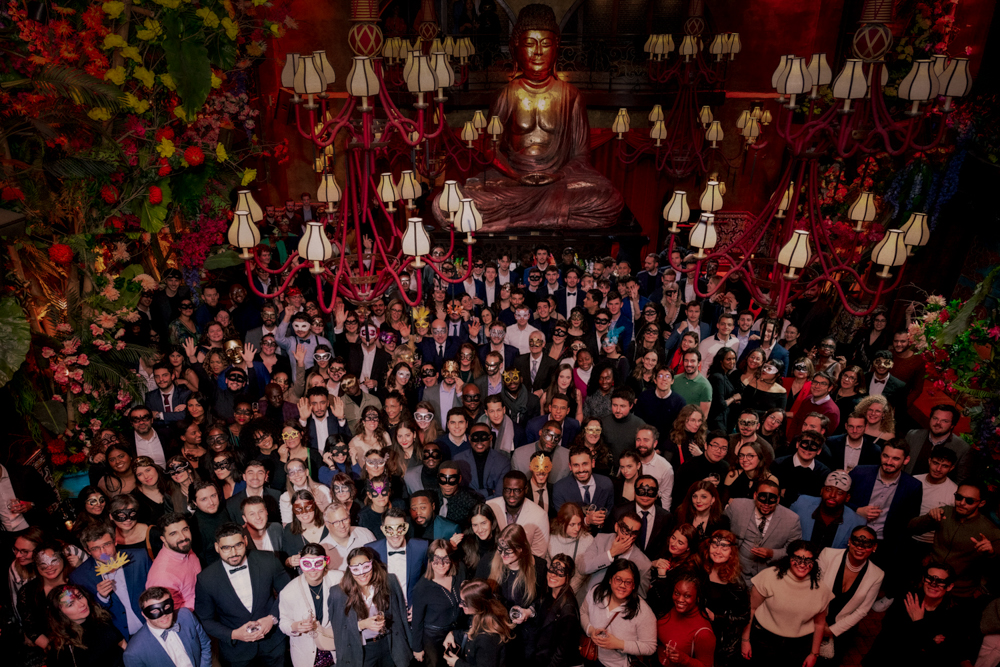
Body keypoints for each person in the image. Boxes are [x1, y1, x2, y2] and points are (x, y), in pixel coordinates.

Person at [194, 522, 291, 667]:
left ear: (245, 541)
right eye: (226, 548)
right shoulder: (206, 579)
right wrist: (233, 634)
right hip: (236, 653)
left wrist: (272, 618)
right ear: (217, 547)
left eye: (238, 545)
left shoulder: (268, 560)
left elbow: (288, 592)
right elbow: (205, 619)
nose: (233, 553)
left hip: (273, 645)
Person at [863, 562, 974, 666]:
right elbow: (890, 632)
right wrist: (929, 639)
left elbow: (945, 653)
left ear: (949, 586)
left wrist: (918, 622)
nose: (933, 584)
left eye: (940, 581)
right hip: (886, 657)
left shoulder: (953, 614)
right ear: (923, 579)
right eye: (930, 578)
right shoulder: (908, 598)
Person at [742, 540, 833, 667]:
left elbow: (819, 624)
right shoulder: (769, 577)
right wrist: (745, 640)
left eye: (808, 560)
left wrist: (814, 653)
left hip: (798, 647)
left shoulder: (821, 590)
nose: (802, 564)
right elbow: (751, 609)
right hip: (764, 641)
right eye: (797, 559)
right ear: (789, 558)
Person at [907, 480, 1000, 600]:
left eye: (969, 501)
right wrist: (928, 518)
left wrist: (991, 553)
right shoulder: (945, 512)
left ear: (981, 503)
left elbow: (996, 570)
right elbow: (911, 528)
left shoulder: (990, 530)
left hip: (960, 592)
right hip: (930, 583)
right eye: (959, 497)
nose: (962, 503)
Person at [328, 546, 413, 667]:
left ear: (372, 564)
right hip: (362, 651)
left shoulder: (389, 581)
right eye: (356, 569)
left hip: (390, 645)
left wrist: (413, 646)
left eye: (366, 567)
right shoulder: (338, 593)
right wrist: (362, 625)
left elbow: (401, 615)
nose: (362, 573)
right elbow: (339, 630)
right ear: (349, 570)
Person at [70, 522, 152, 638]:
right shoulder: (79, 577)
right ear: (87, 551)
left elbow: (157, 587)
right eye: (95, 548)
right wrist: (101, 598)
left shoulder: (139, 557)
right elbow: (89, 617)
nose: (103, 552)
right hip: (122, 638)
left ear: (115, 541)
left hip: (153, 623)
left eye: (107, 544)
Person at [816, 527, 883, 661]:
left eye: (867, 544)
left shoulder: (877, 574)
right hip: (815, 617)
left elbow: (862, 610)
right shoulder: (828, 555)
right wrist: (820, 622)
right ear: (849, 541)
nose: (860, 547)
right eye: (856, 541)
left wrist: (832, 630)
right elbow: (814, 589)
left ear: (874, 547)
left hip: (841, 627)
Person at [579, 560, 657, 667]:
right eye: (618, 579)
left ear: (634, 585)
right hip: (590, 656)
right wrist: (591, 630)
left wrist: (619, 644)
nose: (622, 585)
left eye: (628, 582)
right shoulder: (596, 592)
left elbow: (650, 647)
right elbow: (583, 612)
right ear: (610, 579)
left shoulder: (643, 611)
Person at [724, 479, 802, 585]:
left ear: (778, 499)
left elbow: (795, 551)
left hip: (768, 576)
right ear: (755, 495)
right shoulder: (737, 506)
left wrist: (772, 553)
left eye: (772, 500)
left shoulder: (791, 520)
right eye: (762, 498)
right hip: (736, 570)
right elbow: (721, 531)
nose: (766, 504)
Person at [489, 524, 548, 662]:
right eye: (500, 549)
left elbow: (543, 599)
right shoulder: (493, 563)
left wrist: (529, 612)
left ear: (521, 549)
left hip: (526, 637)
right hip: (501, 633)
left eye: (508, 551)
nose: (502, 555)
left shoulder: (539, 567)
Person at [278, 543, 344, 667]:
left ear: (325, 562)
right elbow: (283, 622)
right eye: (307, 564)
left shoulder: (339, 579)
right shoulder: (289, 591)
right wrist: (295, 626)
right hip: (306, 655)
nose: (312, 569)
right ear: (300, 564)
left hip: (337, 651)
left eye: (317, 563)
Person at [123, 586, 212, 667]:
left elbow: (205, 645)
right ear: (144, 615)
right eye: (155, 611)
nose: (164, 615)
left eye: (167, 607)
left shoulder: (186, 616)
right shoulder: (134, 653)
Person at [411, 539, 467, 667]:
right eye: (436, 559)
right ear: (430, 560)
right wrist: (417, 648)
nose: (441, 564)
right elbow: (417, 621)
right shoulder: (421, 588)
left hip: (456, 633)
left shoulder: (460, 572)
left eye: (445, 559)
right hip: (433, 638)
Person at [699, 531, 749, 667]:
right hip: (701, 633)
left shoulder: (736, 583)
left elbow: (743, 617)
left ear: (731, 553)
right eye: (715, 545)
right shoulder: (703, 570)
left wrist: (716, 617)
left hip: (723, 642)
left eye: (724, 547)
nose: (718, 551)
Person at [45, 584, 127, 667]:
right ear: (59, 614)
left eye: (80, 597)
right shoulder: (63, 647)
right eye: (71, 604)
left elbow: (122, 643)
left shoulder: (100, 618)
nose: (81, 604)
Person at [579, 509, 652, 597]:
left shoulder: (644, 564)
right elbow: (582, 568)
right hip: (588, 598)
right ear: (616, 527)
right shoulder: (600, 540)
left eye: (634, 533)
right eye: (625, 530)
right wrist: (611, 554)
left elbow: (639, 598)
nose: (627, 537)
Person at [442, 579, 514, 667]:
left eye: (464, 603)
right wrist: (452, 634)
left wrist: (457, 663)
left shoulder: (487, 638)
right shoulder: (480, 615)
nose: (460, 605)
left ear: (476, 604)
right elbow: (470, 634)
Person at [790, 471, 867, 550]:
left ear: (847, 498)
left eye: (839, 492)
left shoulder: (857, 522)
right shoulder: (802, 504)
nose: (832, 495)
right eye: (828, 489)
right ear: (822, 491)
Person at [655, 573, 717, 667]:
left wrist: (683, 659)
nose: (680, 599)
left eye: (687, 596)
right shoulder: (672, 609)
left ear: (697, 598)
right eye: (677, 593)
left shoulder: (704, 633)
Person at [369, 507, 428, 604]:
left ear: (406, 527)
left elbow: (429, 578)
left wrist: (419, 604)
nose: (395, 535)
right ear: (382, 529)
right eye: (390, 529)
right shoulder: (372, 550)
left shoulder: (421, 547)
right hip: (384, 607)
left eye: (400, 528)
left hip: (412, 607)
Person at [486, 471, 551, 558]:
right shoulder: (490, 507)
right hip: (492, 561)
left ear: (526, 490)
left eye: (517, 490)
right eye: (507, 489)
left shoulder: (539, 515)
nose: (511, 494)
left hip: (524, 564)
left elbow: (538, 554)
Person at [534, 553, 582, 667]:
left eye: (560, 572)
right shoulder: (549, 593)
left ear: (567, 577)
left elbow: (562, 652)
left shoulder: (568, 609)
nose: (553, 575)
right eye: (552, 569)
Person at [145, 512, 201, 611]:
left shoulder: (182, 547)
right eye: (173, 533)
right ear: (163, 539)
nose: (183, 537)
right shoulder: (162, 576)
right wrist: (205, 597)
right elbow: (174, 612)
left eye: (185, 529)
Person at [904, 404, 971, 483]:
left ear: (952, 425)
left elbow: (960, 481)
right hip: (905, 485)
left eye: (944, 421)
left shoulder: (962, 448)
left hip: (938, 490)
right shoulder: (913, 435)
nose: (938, 423)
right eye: (935, 418)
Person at [771, 432, 832, 507]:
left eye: (813, 446)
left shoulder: (824, 472)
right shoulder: (778, 465)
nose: (807, 450)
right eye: (805, 444)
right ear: (797, 444)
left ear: (819, 451)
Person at [455, 424, 511, 500]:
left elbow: (500, 494)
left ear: (490, 438)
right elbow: (457, 492)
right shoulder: (458, 460)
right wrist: (488, 492)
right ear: (469, 438)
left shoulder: (503, 462)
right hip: (465, 504)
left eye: (483, 437)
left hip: (494, 504)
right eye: (475, 438)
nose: (479, 442)